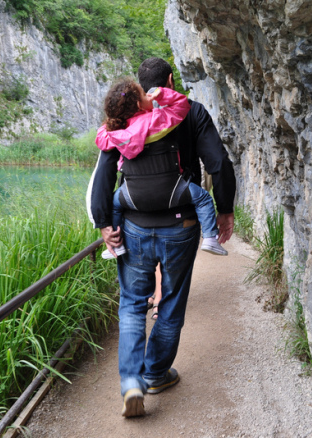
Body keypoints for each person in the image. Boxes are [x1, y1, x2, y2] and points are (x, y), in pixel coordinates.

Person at [87, 57, 236, 418]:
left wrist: (106, 224)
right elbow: (219, 163)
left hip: (133, 226)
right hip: (181, 226)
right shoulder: (191, 112)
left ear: (141, 88)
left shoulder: (121, 123)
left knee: (132, 304)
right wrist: (224, 208)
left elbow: (105, 173)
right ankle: (155, 374)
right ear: (170, 80)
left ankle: (131, 383)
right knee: (170, 302)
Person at [95, 78, 228, 259]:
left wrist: (103, 223)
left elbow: (101, 141)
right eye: (144, 94)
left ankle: (117, 245)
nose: (148, 95)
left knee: (115, 205)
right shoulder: (156, 121)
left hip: (131, 195)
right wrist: (161, 94)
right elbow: (182, 105)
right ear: (139, 104)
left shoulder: (115, 133)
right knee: (204, 199)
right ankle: (210, 238)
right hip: (173, 192)